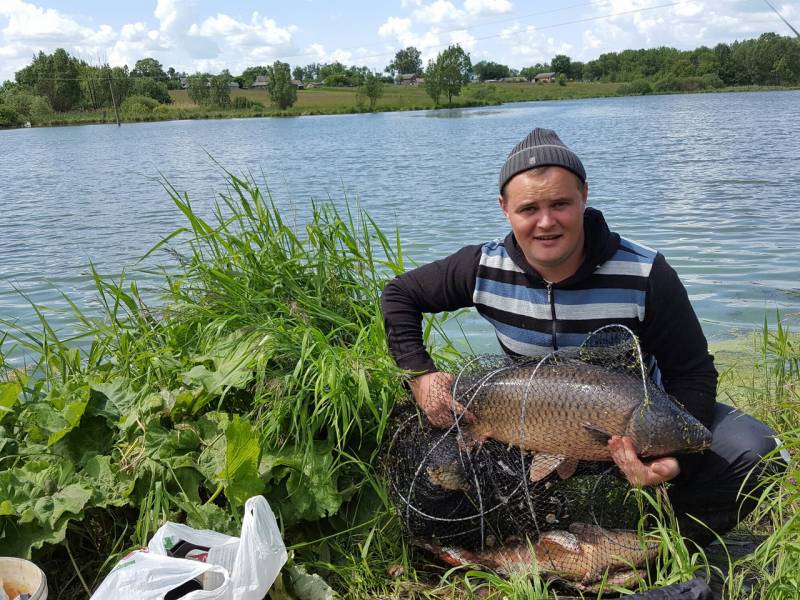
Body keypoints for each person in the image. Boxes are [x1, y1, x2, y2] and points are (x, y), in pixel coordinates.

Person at [380, 127, 783, 548]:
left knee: (757, 450)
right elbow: (399, 295)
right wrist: (420, 374)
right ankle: (528, 546)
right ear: (504, 209)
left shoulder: (645, 273)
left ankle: (662, 548)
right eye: (528, 209)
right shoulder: (481, 268)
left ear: (584, 196)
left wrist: (671, 458)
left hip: (635, 425)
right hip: (530, 422)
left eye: (560, 204)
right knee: (435, 470)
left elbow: (693, 372)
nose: (546, 222)